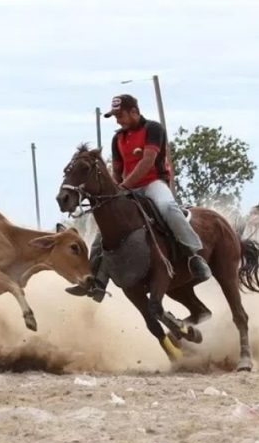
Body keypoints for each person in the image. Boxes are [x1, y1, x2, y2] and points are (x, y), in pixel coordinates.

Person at [66, 94, 212, 301]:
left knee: (169, 208)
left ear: (134, 111)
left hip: (154, 184)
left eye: (120, 115)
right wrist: (116, 190)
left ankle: (194, 256)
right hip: (129, 189)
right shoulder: (117, 139)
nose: (117, 120)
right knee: (105, 232)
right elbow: (117, 171)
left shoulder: (153, 129)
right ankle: (97, 282)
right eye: (115, 116)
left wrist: (124, 185)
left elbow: (148, 161)